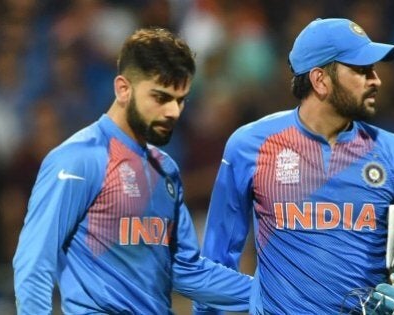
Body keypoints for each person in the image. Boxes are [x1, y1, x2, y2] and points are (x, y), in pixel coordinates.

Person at [193, 18, 394, 314]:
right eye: (361, 70)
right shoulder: (249, 145)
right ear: (320, 80)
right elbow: (217, 258)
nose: (376, 79)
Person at [13, 28, 252, 314]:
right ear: (123, 89)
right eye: (161, 97)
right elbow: (34, 264)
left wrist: (279, 294)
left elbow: (188, 271)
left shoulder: (165, 169)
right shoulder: (78, 160)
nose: (173, 112)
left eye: (181, 99)